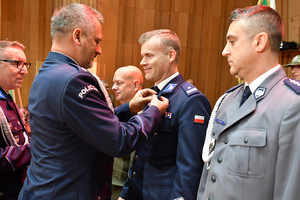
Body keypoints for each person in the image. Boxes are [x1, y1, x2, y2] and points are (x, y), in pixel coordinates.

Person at [18, 3, 168, 200]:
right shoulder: (74, 80)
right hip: (67, 192)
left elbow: (84, 123)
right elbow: (119, 141)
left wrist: (128, 108)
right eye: (97, 41)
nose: (100, 50)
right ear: (77, 36)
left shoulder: (47, 73)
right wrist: (154, 112)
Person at [197, 5, 300, 200]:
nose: (224, 51)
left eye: (232, 42)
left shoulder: (292, 105)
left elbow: (291, 191)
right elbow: (209, 173)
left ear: (259, 42)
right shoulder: (227, 99)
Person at [120, 29, 211, 200]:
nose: (142, 62)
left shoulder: (190, 100)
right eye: (142, 56)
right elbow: (140, 157)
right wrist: (126, 193)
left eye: (149, 56)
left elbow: (189, 167)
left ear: (170, 56)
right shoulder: (151, 96)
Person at [0, 41, 31, 199]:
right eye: (17, 64)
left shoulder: (6, 98)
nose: (24, 71)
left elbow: (20, 139)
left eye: (25, 64)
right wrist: (34, 149)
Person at [111, 65, 144, 199]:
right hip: (110, 181)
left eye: (119, 83)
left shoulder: (143, 116)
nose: (113, 87)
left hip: (124, 186)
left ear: (136, 86)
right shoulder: (115, 111)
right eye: (114, 83)